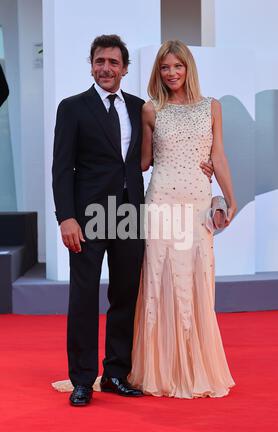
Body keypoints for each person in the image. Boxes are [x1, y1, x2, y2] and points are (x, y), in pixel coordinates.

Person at [52, 35, 214, 405]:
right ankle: (82, 378)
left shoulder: (143, 108)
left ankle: (115, 373)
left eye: (113, 62)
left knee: (125, 295)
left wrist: (203, 165)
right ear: (91, 65)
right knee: (83, 296)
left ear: (125, 69)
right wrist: (67, 218)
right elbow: (61, 169)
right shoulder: (72, 108)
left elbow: (162, 153)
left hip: (131, 214)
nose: (106, 68)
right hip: (89, 216)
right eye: (99, 61)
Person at [128, 40, 237, 398]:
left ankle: (194, 366)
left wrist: (229, 197)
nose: (171, 73)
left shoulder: (212, 107)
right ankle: (160, 371)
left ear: (189, 68)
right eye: (164, 67)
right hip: (160, 201)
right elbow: (144, 162)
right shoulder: (150, 110)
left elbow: (217, 155)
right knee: (160, 279)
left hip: (196, 203)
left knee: (196, 279)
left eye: (177, 66)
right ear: (157, 72)